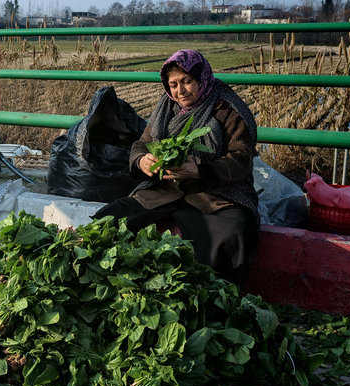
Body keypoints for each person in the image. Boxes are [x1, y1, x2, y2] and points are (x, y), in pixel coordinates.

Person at [93, 49, 259, 283]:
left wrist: (201, 170)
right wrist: (143, 161)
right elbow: (143, 144)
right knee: (112, 218)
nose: (179, 91)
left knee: (235, 231)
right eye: (173, 84)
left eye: (187, 81)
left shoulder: (227, 108)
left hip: (215, 192)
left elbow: (241, 158)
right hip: (167, 189)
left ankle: (214, 291)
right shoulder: (166, 108)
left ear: (201, 78)